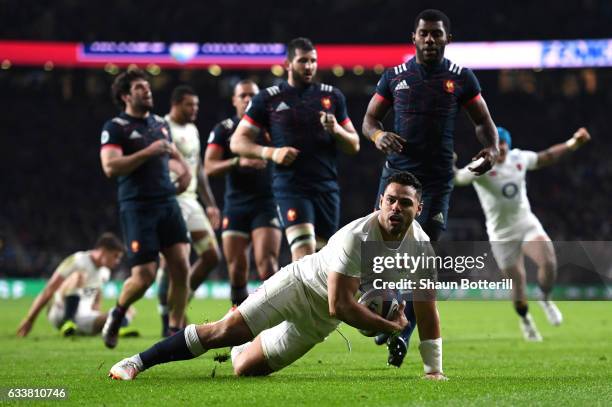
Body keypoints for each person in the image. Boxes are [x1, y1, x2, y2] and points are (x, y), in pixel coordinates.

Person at [108, 172, 446, 381]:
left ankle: (244, 332)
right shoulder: (357, 236)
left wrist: (433, 370)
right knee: (221, 333)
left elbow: (428, 311)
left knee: (244, 370)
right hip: (298, 287)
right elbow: (339, 305)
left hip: (320, 324)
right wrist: (388, 326)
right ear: (381, 201)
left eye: (405, 203)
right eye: (390, 200)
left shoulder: (421, 249)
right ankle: (135, 362)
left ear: (418, 209)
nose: (395, 209)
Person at [361, 8, 500, 365]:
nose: (430, 39)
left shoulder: (461, 78)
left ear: (447, 39)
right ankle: (390, 311)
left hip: (436, 181)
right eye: (424, 33)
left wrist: (492, 148)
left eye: (436, 34)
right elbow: (370, 119)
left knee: (424, 254)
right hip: (397, 176)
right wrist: (377, 135)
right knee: (382, 253)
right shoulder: (394, 76)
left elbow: (483, 121)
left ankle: (403, 331)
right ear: (414, 38)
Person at [454, 126, 591, 341]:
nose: (501, 153)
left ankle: (544, 299)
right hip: (501, 234)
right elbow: (458, 179)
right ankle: (526, 321)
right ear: (489, 149)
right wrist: (448, 165)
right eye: (497, 149)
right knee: (518, 284)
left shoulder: (519, 158)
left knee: (549, 261)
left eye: (504, 148)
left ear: (508, 146)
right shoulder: (480, 166)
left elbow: (547, 157)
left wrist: (573, 143)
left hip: (525, 223)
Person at [230, 37, 360, 262]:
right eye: (303, 61)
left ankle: (310, 298)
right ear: (288, 64)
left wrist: (336, 130)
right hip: (291, 187)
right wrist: (271, 153)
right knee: (303, 254)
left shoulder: (332, 96)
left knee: (324, 261)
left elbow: (354, 145)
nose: (309, 66)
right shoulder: (268, 99)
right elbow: (237, 142)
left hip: (326, 188)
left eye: (313, 61)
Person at [99, 69, 192, 348]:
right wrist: (147, 152)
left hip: (167, 203)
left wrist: (184, 169)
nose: (147, 90)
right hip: (138, 207)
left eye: (147, 86)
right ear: (126, 96)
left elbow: (171, 156)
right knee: (144, 277)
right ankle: (117, 313)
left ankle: (174, 330)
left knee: (182, 267)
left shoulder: (158, 124)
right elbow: (110, 167)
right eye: (140, 87)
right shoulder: (115, 127)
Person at [204, 79, 281, 306]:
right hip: (236, 204)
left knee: (267, 265)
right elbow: (209, 166)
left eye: (252, 95)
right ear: (234, 100)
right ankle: (238, 320)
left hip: (266, 202)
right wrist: (238, 162)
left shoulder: (272, 126)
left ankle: (273, 320)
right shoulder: (224, 129)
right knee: (237, 270)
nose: (248, 99)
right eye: (243, 95)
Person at [155, 85, 222, 336]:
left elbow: (200, 170)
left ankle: (179, 302)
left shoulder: (193, 129)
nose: (195, 110)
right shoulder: (161, 126)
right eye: (189, 105)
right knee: (173, 262)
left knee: (212, 256)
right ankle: (168, 318)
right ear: (176, 104)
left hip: (192, 201)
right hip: (171, 200)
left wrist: (211, 203)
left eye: (196, 105)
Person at [16, 233, 136, 337]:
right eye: (115, 256)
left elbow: (97, 295)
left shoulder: (105, 272)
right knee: (78, 276)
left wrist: (99, 313)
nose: (117, 261)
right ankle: (68, 321)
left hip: (84, 317)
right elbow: (49, 289)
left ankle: (116, 330)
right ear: (103, 251)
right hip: (60, 311)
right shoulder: (78, 260)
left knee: (128, 310)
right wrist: (30, 319)